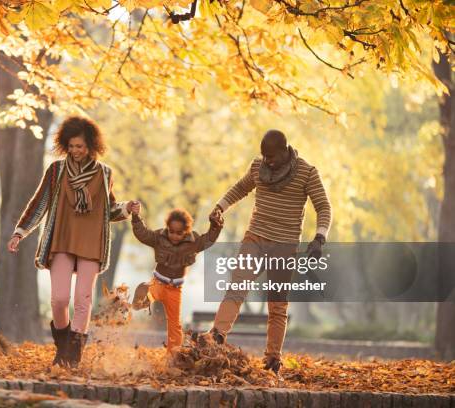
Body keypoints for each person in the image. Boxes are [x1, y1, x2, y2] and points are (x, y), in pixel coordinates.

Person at [7, 116, 134, 368]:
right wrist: (20, 231)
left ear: (91, 146)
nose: (76, 151)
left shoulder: (104, 173)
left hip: (91, 244)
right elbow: (40, 203)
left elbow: (108, 210)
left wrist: (127, 208)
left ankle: (73, 356)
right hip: (61, 240)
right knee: (59, 299)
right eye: (72, 146)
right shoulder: (56, 170)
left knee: (83, 299)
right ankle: (63, 344)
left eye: (81, 146)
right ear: (66, 144)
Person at [206, 129, 332, 375]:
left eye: (272, 157)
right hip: (255, 237)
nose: (268, 161)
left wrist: (320, 237)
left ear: (285, 150)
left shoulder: (307, 173)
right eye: (265, 156)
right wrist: (220, 207)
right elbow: (239, 189)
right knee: (237, 287)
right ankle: (217, 336)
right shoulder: (258, 167)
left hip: (284, 245)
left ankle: (273, 357)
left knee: (277, 305)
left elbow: (324, 206)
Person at [130, 204, 223, 353]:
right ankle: (141, 296)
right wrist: (135, 217)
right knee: (148, 296)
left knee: (174, 324)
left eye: (178, 233)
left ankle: (173, 355)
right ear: (167, 228)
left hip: (175, 290)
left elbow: (209, 240)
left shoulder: (193, 243)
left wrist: (216, 226)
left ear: (186, 232)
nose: (174, 236)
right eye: (171, 231)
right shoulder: (159, 238)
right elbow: (143, 234)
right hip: (158, 282)